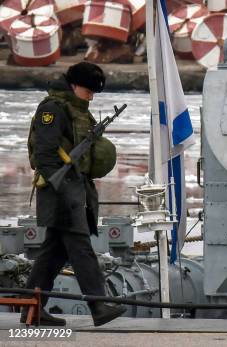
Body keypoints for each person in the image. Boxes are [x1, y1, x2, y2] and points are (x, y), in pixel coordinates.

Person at [22, 62, 126, 327]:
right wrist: (65, 189)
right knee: (81, 248)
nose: (91, 96)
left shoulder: (76, 110)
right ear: (75, 85)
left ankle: (31, 310)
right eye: (89, 91)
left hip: (73, 189)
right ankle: (98, 305)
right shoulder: (53, 109)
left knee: (53, 253)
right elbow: (45, 154)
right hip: (60, 192)